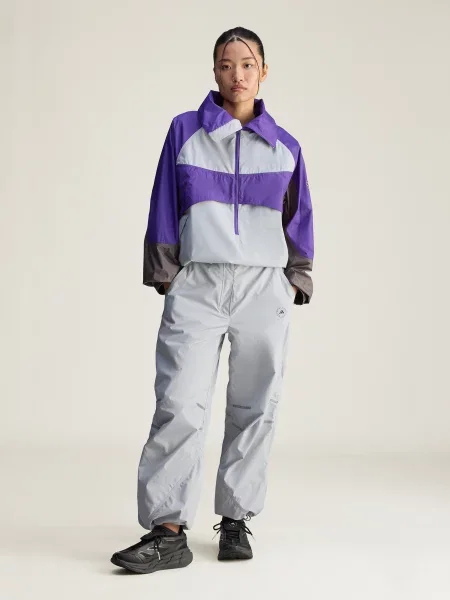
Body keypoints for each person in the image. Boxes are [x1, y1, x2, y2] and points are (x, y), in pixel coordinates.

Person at [111, 26, 314, 574]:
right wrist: (167, 274)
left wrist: (296, 278)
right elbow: (163, 200)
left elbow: (299, 215)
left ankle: (235, 518)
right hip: (198, 282)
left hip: (263, 286)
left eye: (247, 64)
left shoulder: (286, 146)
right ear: (215, 72)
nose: (237, 74)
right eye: (226, 65)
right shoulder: (184, 131)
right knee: (179, 403)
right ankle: (167, 531)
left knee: (256, 405)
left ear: (263, 71)